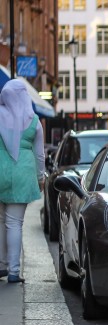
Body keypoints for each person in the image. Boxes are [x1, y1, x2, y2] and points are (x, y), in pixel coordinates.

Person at [0, 80, 46, 283]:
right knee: (14, 224)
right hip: (23, 173)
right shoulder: (34, 121)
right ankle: (13, 271)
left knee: (1, 222)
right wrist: (40, 177)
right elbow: (39, 156)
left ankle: (1, 265)